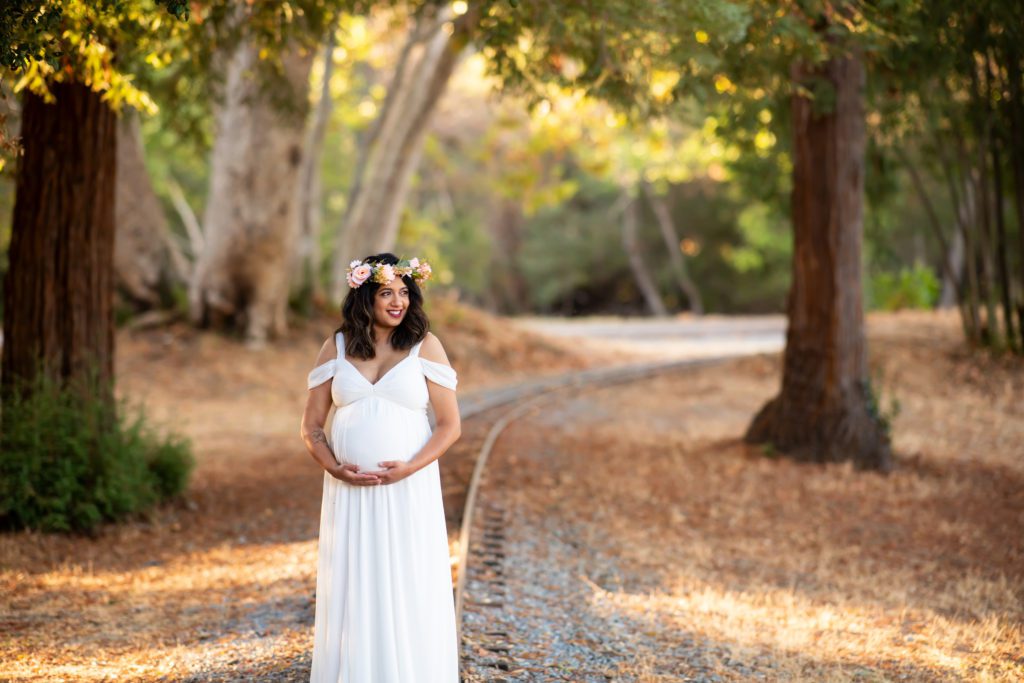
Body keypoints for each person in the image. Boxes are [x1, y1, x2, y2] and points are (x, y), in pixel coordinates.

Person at [300, 252, 461, 682]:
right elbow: (312, 427)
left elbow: (449, 426)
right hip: (349, 494)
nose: (398, 302)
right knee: (356, 586)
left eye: (404, 292)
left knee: (408, 583)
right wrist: (334, 467)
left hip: (409, 489)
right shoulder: (335, 347)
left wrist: (410, 468)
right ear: (365, 295)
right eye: (387, 292)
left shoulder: (425, 344)